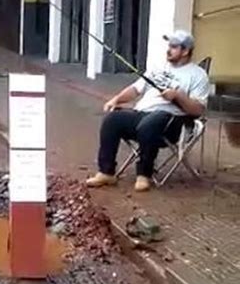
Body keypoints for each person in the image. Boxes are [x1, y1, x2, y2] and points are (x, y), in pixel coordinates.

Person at [86, 30, 211, 192]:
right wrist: (116, 99)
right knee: (112, 120)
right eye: (169, 46)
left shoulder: (198, 75)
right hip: (142, 114)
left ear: (185, 51)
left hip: (171, 122)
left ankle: (144, 174)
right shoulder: (158, 67)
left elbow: (198, 110)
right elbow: (136, 89)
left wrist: (177, 96)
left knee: (152, 122)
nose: (168, 50)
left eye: (173, 47)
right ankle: (106, 172)